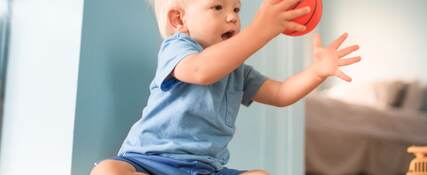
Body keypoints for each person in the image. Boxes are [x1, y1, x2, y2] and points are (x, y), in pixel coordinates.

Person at [90, 0, 360, 174]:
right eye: (218, 7)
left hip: (205, 169)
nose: (232, 17)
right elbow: (201, 70)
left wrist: (317, 72)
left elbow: (280, 93)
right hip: (149, 162)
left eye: (237, 9)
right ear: (178, 20)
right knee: (107, 170)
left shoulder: (236, 70)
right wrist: (262, 30)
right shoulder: (178, 49)